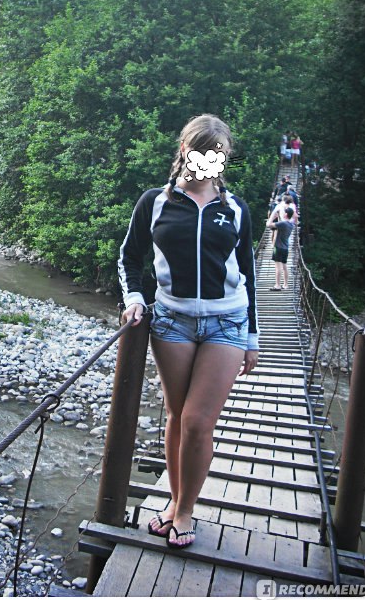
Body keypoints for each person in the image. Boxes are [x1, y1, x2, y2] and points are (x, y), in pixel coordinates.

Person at [118, 114, 259, 550]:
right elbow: (129, 257)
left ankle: (183, 511)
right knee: (177, 418)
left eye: (219, 156)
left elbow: (249, 273)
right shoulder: (155, 202)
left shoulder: (234, 209)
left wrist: (253, 337)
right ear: (185, 151)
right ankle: (174, 503)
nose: (210, 163)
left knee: (198, 422)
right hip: (172, 322)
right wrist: (135, 299)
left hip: (227, 321)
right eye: (203, 153)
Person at [268, 207, 296, 289]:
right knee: (284, 266)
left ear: (286, 214)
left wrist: (272, 217)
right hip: (285, 248)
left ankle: (277, 285)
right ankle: (286, 284)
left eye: (284, 212)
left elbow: (268, 225)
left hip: (278, 247)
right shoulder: (291, 225)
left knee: (278, 267)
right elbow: (281, 225)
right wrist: (279, 218)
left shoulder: (283, 224)